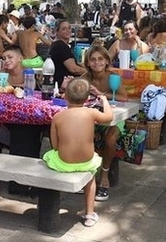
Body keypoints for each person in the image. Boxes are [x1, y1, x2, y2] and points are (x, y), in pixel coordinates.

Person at [42, 78, 113, 227]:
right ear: (87, 98)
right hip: (86, 162)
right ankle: (89, 214)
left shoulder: (57, 117)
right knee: (91, 179)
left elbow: (55, 146)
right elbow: (109, 117)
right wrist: (105, 101)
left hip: (64, 163)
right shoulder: (91, 112)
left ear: (65, 96)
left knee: (48, 156)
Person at [81, 45, 127, 202]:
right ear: (87, 63)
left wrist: (101, 94)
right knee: (80, 135)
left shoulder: (113, 77)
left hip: (115, 118)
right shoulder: (84, 78)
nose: (96, 62)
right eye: (92, 59)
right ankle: (86, 174)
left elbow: (124, 97)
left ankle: (104, 175)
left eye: (100, 59)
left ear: (107, 61)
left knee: (110, 138)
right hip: (93, 117)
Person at [49, 19, 86, 85]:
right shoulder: (60, 46)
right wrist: (90, 72)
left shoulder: (57, 44)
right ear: (57, 31)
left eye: (69, 28)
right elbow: (74, 69)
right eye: (64, 29)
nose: (68, 31)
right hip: (64, 83)